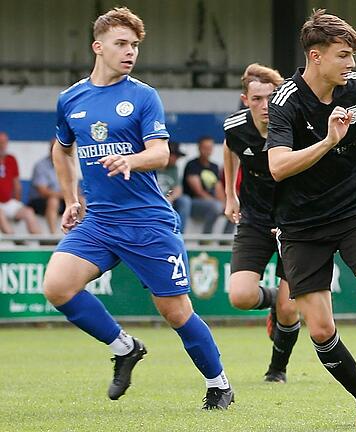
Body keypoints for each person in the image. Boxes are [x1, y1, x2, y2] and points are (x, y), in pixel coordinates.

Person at [41, 7, 234, 409]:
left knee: (176, 312)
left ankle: (219, 384)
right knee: (57, 286)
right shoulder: (70, 99)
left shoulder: (143, 96)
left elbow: (161, 152)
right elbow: (61, 152)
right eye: (121, 44)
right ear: (98, 47)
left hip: (147, 222)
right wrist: (71, 199)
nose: (130, 52)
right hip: (99, 221)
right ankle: (125, 347)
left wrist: (132, 159)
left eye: (135, 46)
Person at [266, 9, 356, 426]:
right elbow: (277, 167)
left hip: (354, 214)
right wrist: (328, 141)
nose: (352, 64)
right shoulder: (285, 102)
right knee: (321, 330)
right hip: (302, 226)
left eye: (352, 56)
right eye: (344, 55)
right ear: (316, 56)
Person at [222, 63, 300, 383]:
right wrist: (230, 194)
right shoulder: (235, 127)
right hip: (254, 220)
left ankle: (277, 370)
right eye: (256, 99)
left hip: (296, 224)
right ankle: (270, 299)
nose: (264, 105)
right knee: (240, 296)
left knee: (290, 310)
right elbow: (230, 150)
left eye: (271, 97)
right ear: (245, 99)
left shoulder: (295, 126)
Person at [183, 136, 232, 234]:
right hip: (194, 203)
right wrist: (218, 203)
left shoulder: (214, 166)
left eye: (209, 148)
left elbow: (218, 188)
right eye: (204, 148)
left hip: (211, 203)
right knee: (216, 206)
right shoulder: (192, 165)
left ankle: (225, 240)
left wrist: (226, 204)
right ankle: (206, 239)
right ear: (199, 148)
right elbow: (199, 191)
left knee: (233, 209)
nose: (207, 151)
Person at [0, 131, 42, 234]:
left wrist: (17, 203)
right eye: (0, 142)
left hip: (9, 202)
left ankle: (43, 245)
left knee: (29, 212)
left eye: (4, 142)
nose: (2, 146)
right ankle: (17, 244)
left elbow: (17, 185)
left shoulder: (11, 159)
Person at [28, 138, 66, 233]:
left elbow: (75, 188)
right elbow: (43, 191)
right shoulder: (41, 165)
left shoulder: (66, 165)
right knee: (53, 201)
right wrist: (64, 195)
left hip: (62, 199)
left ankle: (85, 235)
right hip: (40, 201)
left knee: (81, 201)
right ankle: (52, 237)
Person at [156, 141, 191, 233]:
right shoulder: (152, 166)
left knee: (185, 200)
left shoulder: (174, 168)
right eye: (175, 155)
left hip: (169, 199)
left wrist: (169, 197)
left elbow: (177, 189)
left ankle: (179, 233)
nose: (177, 159)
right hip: (154, 199)